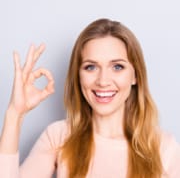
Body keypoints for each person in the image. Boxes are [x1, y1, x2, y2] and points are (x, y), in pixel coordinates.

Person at [0, 18, 180, 178]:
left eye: (117, 67)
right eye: (90, 67)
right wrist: (14, 114)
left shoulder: (164, 148)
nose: (103, 81)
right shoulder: (59, 136)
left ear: (135, 76)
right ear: (77, 75)